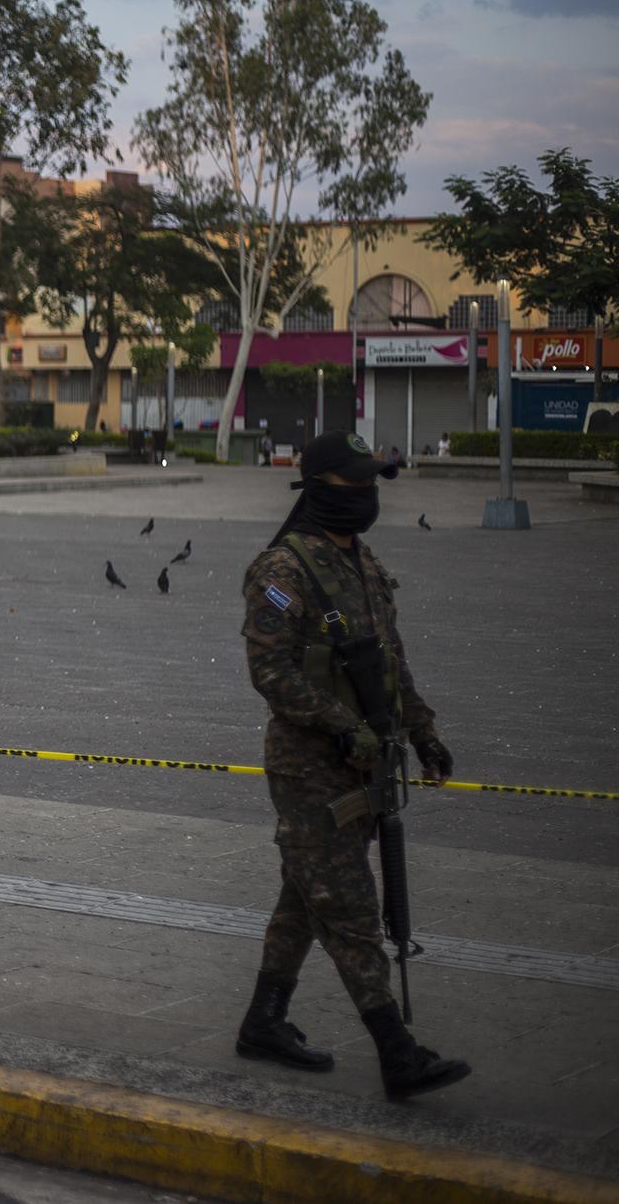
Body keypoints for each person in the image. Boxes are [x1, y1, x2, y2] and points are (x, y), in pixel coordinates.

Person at [236, 429, 469, 1100]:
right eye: (352, 483)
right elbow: (270, 670)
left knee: (305, 898)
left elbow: (388, 663)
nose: (366, 494)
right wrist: (343, 726)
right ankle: (397, 1051)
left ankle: (263, 1019)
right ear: (318, 488)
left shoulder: (364, 566)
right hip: (309, 768)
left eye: (372, 482)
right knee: (350, 908)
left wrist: (422, 732)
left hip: (366, 764)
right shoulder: (282, 573)